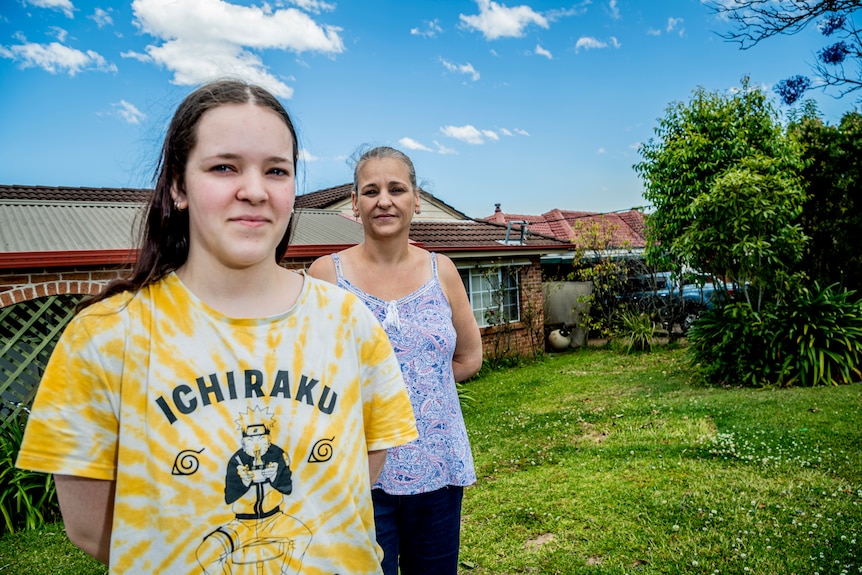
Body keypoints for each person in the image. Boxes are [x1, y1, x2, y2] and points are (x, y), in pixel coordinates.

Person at [15, 80, 418, 575]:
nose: (253, 190)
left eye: (276, 170)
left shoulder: (349, 322)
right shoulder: (105, 336)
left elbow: (355, 476)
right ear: (178, 187)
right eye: (224, 167)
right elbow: (90, 526)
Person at [307, 146, 483, 575]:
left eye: (396, 188)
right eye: (371, 190)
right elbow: (310, 377)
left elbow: (469, 357)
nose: (384, 200)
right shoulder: (326, 277)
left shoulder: (442, 270)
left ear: (415, 199)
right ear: (355, 204)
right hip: (359, 473)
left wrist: (423, 391)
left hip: (438, 469)